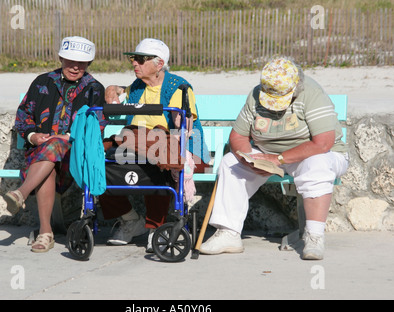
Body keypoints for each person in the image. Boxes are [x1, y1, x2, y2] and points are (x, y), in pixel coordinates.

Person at [199, 57, 349, 260]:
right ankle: (228, 233)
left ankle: (314, 237)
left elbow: (323, 143)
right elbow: (238, 136)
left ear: (296, 87)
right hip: (268, 155)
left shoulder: (311, 93)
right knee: (230, 163)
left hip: (315, 154)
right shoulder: (257, 94)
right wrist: (248, 159)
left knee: (317, 165)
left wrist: (278, 158)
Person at [101, 38, 210, 252]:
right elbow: (118, 93)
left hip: (170, 145)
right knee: (97, 164)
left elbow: (183, 128)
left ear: (159, 64)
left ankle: (155, 227)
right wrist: (112, 88)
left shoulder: (178, 87)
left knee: (158, 163)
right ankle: (131, 220)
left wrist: (176, 125)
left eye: (141, 59)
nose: (135, 63)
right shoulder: (138, 85)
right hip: (133, 145)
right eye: (134, 59)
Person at [3, 36, 106, 253]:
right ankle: (46, 232)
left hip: (75, 158)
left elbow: (97, 125)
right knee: (48, 157)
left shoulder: (94, 89)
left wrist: (68, 137)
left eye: (82, 63)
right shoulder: (42, 83)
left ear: (89, 64)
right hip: (41, 156)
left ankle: (22, 196)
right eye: (70, 61)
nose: (75, 67)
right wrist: (32, 136)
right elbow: (24, 117)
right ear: (60, 57)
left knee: (54, 147)